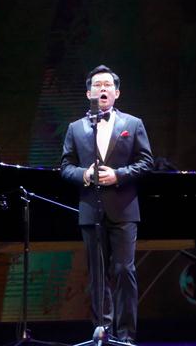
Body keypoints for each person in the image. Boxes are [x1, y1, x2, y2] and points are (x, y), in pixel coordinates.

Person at [61, 65, 153, 345]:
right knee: (97, 275)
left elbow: (146, 162)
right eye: (97, 85)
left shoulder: (133, 124)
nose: (103, 88)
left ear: (117, 92)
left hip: (124, 208)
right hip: (91, 209)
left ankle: (126, 336)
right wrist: (85, 175)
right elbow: (65, 167)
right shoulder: (76, 128)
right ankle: (103, 332)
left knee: (124, 271)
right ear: (88, 93)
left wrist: (118, 175)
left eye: (108, 85)